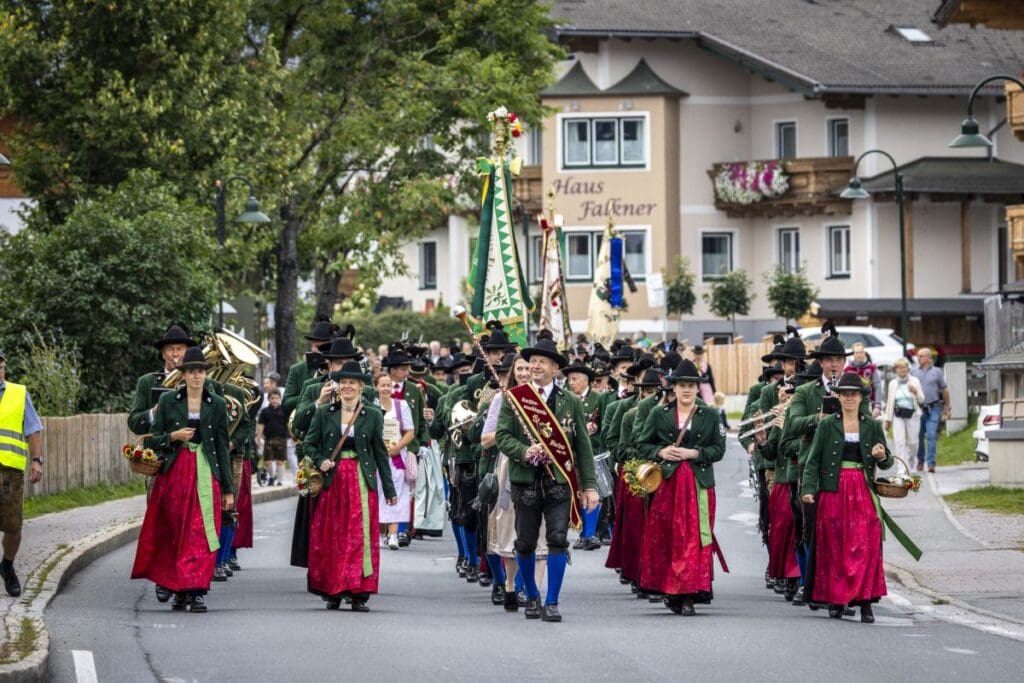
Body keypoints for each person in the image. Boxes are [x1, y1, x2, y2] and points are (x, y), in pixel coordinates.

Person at [495, 331, 599, 622]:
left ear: (556, 368)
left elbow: (582, 447)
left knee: (557, 539)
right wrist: (525, 451)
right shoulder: (515, 399)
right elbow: (502, 436)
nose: (536, 366)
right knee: (525, 543)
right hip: (525, 479)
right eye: (533, 361)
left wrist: (589, 485)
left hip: (559, 481)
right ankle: (532, 595)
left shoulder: (571, 402)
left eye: (542, 362)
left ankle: (552, 601)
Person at [131, 346, 234, 612]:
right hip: (176, 473)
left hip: (205, 473)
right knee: (176, 530)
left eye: (200, 371)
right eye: (191, 371)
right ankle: (179, 588)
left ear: (206, 374)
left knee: (200, 531)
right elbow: (154, 439)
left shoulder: (218, 404)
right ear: (183, 374)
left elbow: (222, 447)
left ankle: (198, 590)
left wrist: (227, 489)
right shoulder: (169, 401)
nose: (197, 376)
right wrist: (173, 437)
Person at [800, 372, 893, 623]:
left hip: (862, 490)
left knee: (866, 543)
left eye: (853, 394)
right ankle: (836, 599)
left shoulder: (872, 425)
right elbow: (813, 461)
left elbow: (887, 461)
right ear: (838, 397)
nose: (849, 398)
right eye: (844, 394)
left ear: (861, 397)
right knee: (835, 544)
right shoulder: (827, 424)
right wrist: (808, 489)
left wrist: (881, 455)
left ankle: (865, 602)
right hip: (833, 490)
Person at [304, 361, 397, 611]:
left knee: (360, 535)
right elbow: (309, 444)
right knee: (332, 535)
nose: (347, 386)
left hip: (361, 480)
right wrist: (321, 459)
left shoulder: (374, 415)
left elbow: (380, 454)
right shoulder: (325, 412)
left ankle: (359, 591)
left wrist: (389, 490)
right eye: (343, 382)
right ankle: (332, 590)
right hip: (333, 482)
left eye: (352, 382)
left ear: (361, 386)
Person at [637, 359, 726, 616]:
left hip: (698, 484)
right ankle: (669, 588)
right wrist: (661, 450)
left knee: (694, 538)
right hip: (667, 483)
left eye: (691, 385)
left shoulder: (709, 414)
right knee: (667, 536)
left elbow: (718, 450)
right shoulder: (659, 413)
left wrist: (692, 452)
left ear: (698, 389)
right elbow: (642, 443)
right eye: (681, 385)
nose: (686, 390)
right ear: (673, 388)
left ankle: (688, 592)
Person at [0, 350, 45, 598]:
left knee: (12, 526)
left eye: (0, 365)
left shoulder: (18, 394)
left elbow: (33, 429)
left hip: (10, 472)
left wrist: (37, 461)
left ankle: (7, 564)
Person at [564, 359, 607, 551]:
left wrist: (596, 429)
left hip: (593, 452)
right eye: (569, 380)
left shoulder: (598, 399)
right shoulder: (565, 399)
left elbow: (606, 425)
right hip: (571, 455)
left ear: (586, 381)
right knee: (577, 493)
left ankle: (590, 534)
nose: (571, 383)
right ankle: (582, 532)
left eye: (574, 379)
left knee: (592, 491)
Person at [373, 372, 415, 550]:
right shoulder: (370, 406)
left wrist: (397, 447)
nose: (385, 388)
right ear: (376, 387)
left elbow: (410, 431)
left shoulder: (401, 405)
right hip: (376, 457)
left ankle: (393, 535)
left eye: (388, 385)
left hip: (396, 457)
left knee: (395, 493)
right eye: (382, 385)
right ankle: (381, 533)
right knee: (378, 494)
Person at [911, 348, 951, 473]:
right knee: (919, 436)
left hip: (933, 408)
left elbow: (944, 390)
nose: (919, 358)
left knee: (931, 435)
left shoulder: (937, 372)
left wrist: (947, 407)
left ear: (929, 358)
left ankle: (931, 463)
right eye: (918, 356)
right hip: (918, 409)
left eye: (921, 356)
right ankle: (920, 460)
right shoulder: (913, 372)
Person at [884, 358, 923, 471]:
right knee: (899, 441)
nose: (902, 370)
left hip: (912, 414)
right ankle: (901, 467)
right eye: (899, 368)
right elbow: (890, 402)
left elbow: (921, 399)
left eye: (904, 367)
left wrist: (915, 391)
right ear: (896, 370)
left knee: (913, 442)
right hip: (898, 415)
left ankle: (911, 462)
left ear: (908, 368)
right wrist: (888, 419)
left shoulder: (915, 381)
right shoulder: (893, 383)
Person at [256, 389, 288, 485]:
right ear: (269, 399)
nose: (274, 400)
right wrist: (258, 437)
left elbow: (288, 424)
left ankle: (280, 481)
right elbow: (261, 425)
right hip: (268, 439)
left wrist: (293, 436)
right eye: (272, 398)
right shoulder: (265, 411)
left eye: (276, 398)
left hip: (281, 439)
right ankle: (272, 476)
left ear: (280, 399)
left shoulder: (284, 410)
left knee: (280, 461)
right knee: (267, 462)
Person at [845, 342, 884, 417]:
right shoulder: (848, 370)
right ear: (853, 354)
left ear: (864, 353)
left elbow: (878, 387)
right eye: (857, 353)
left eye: (861, 352)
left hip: (869, 404)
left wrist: (877, 406)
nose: (859, 355)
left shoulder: (872, 368)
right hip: (852, 405)